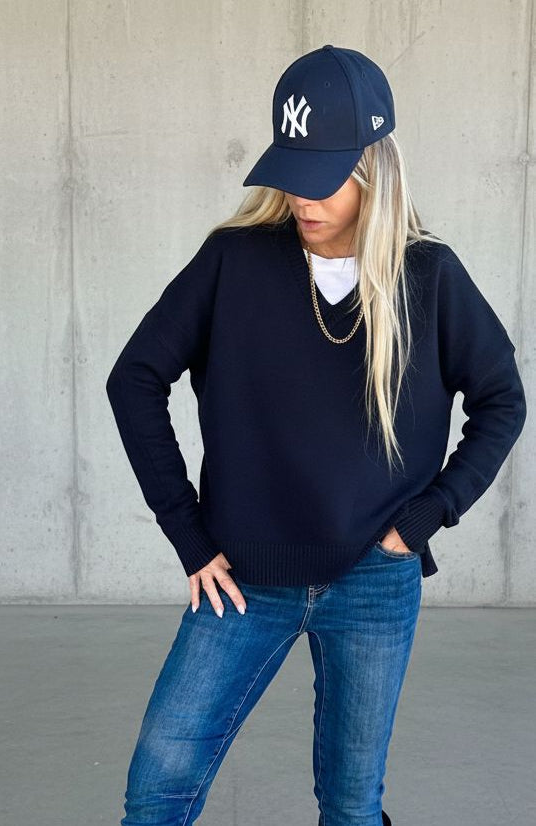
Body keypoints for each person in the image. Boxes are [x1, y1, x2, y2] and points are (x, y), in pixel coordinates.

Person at [105, 45, 527, 826]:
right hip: (242, 580)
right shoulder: (233, 262)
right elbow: (133, 379)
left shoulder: (428, 277)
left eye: (326, 175)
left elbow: (502, 400)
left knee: (351, 806)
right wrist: (188, 535)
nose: (303, 196)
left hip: (375, 578)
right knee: (155, 794)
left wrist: (427, 517)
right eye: (292, 171)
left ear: (375, 169)